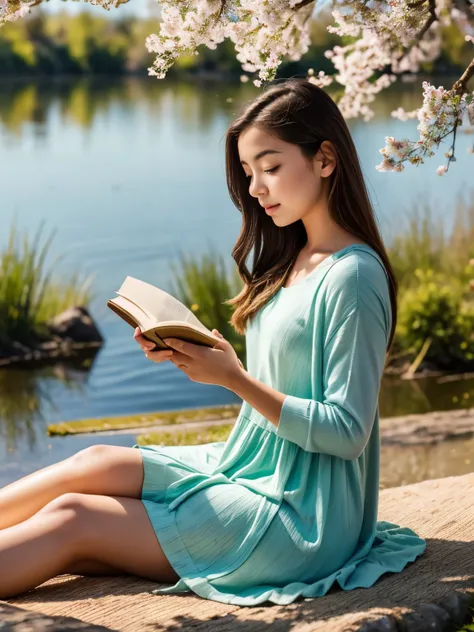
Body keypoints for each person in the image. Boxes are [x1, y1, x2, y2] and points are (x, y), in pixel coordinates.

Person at [0, 78, 426, 605]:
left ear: (325, 159)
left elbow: (346, 432)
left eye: (270, 167)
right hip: (249, 466)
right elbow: (284, 375)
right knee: (95, 464)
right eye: (249, 173)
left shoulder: (353, 277)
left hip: (301, 515)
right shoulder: (294, 258)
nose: (255, 189)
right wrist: (214, 357)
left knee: (74, 518)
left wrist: (234, 379)